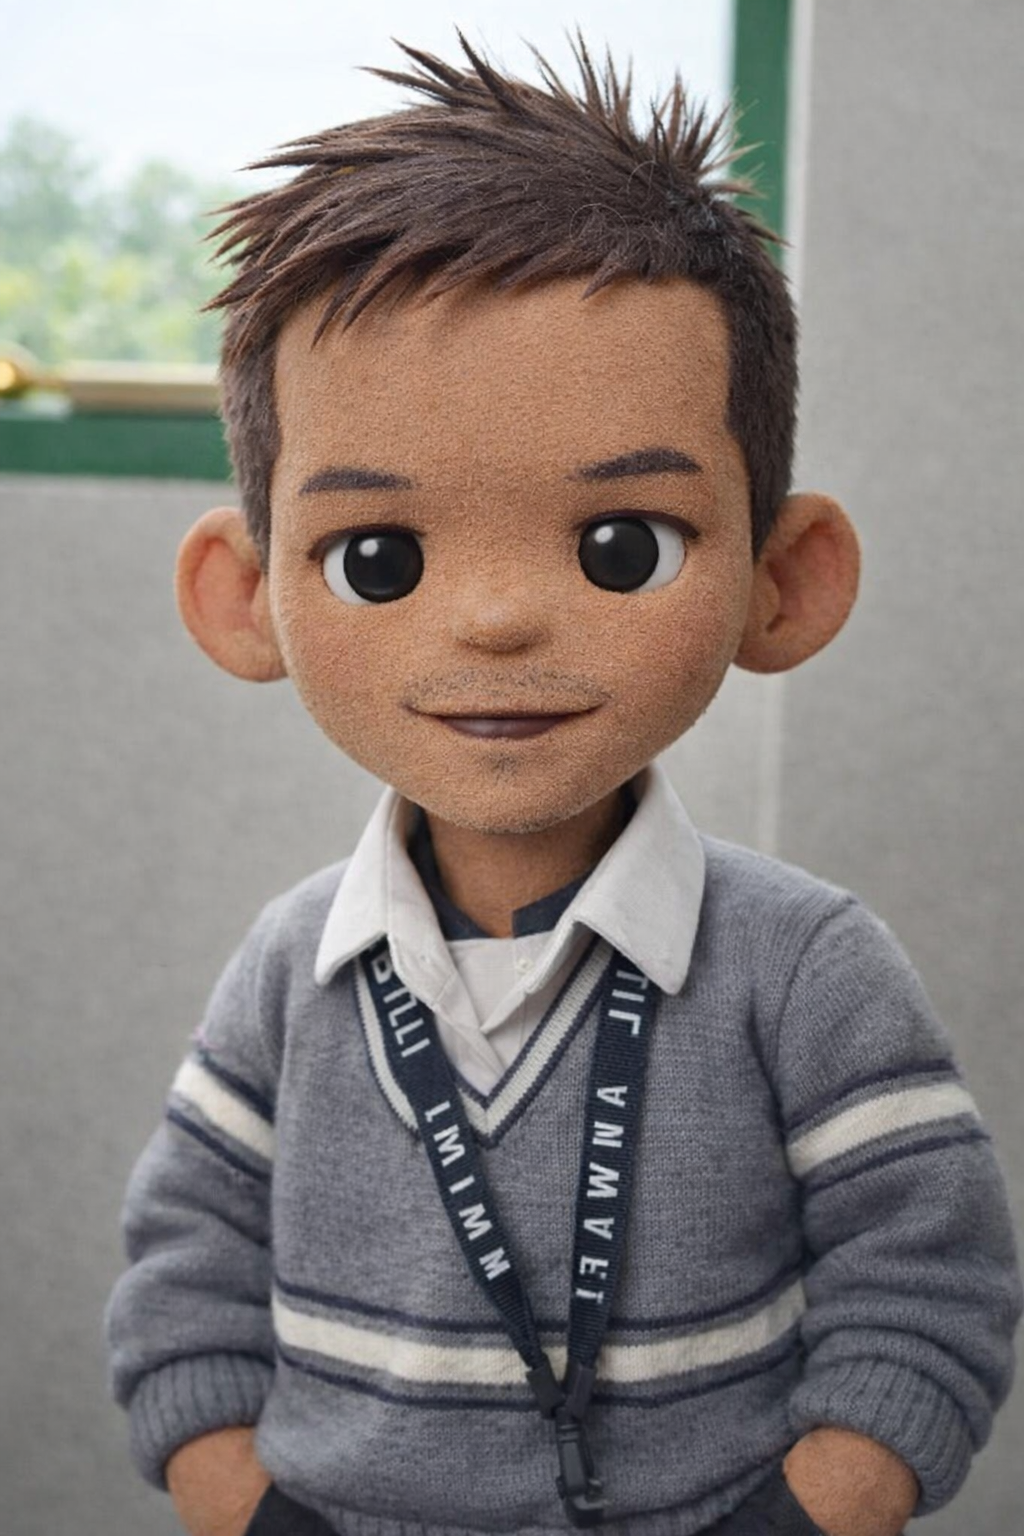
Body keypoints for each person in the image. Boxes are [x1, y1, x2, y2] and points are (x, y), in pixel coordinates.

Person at [105, 36, 1020, 1536]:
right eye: (379, 559)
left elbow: (931, 1289)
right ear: (245, 596)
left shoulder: (805, 967)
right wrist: (251, 1508)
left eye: (620, 546)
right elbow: (181, 1278)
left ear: (783, 579)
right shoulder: (287, 968)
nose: (493, 623)